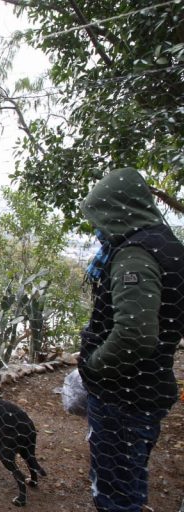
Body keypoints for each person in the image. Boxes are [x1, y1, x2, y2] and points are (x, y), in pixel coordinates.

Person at [78, 167, 184, 512]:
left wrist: (93, 365)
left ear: (119, 209)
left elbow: (134, 335)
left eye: (102, 216)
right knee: (128, 477)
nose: (98, 227)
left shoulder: (134, 255)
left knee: (116, 493)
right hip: (146, 388)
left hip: (123, 395)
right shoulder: (168, 245)